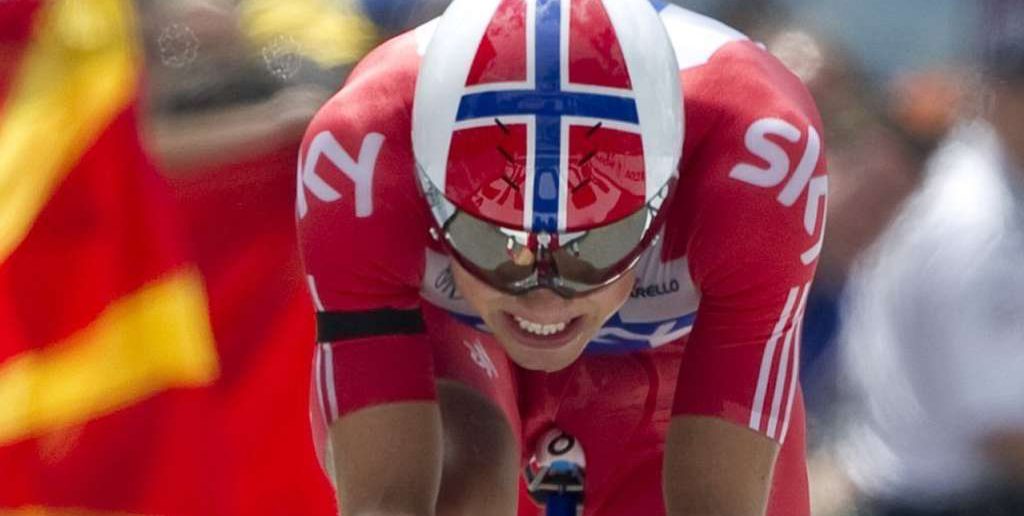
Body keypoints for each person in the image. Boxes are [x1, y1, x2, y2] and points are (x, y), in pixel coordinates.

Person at [297, 1, 828, 515]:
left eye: (593, 246)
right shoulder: (362, 151)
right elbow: (385, 500)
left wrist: (487, 253)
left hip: (678, 355)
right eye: (496, 244)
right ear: (424, 188)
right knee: (455, 486)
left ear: (671, 189)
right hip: (462, 344)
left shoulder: (755, 168)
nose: (545, 303)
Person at [835, 7, 1024, 515]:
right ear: (1000, 91)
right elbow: (1005, 436)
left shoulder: (981, 163)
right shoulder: (980, 226)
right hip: (941, 499)